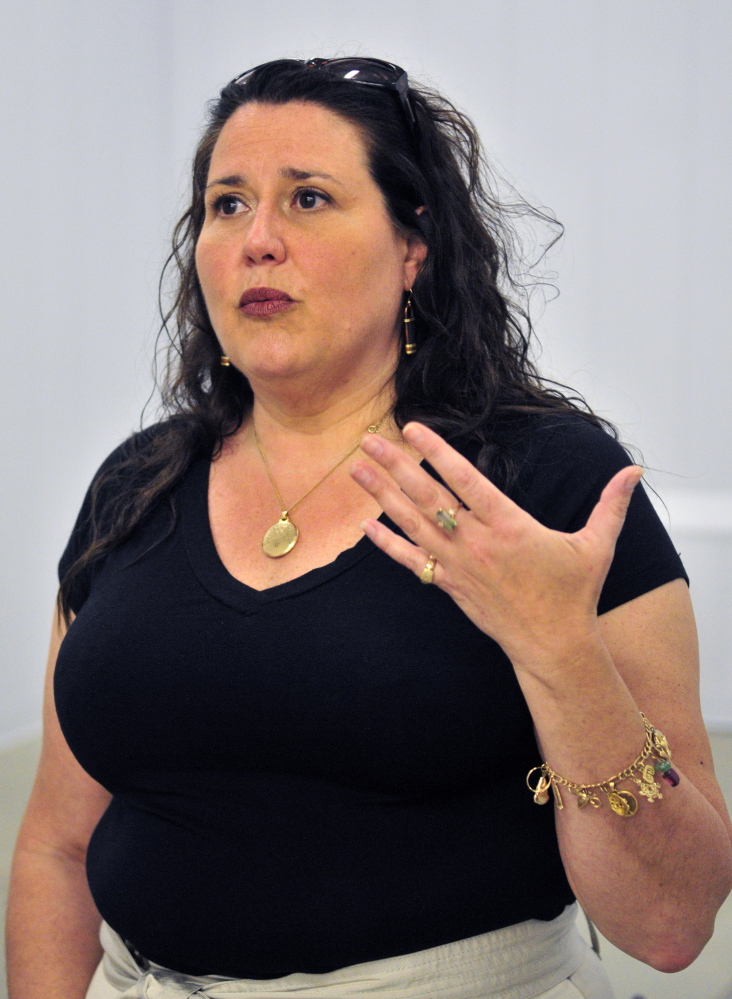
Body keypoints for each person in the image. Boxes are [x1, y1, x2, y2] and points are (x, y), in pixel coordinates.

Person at [6, 57, 732, 999]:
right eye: (227, 205)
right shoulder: (133, 489)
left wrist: (562, 651)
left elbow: (671, 923)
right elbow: (55, 849)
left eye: (308, 199)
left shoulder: (545, 481)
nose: (258, 239)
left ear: (412, 247)